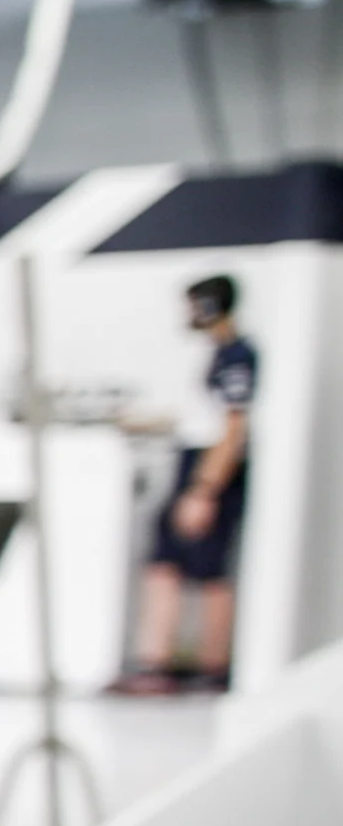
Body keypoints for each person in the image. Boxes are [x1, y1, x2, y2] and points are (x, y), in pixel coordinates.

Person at [117, 273, 255, 694]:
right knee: (167, 564)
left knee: (210, 571)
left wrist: (204, 490)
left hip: (209, 470)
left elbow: (234, 428)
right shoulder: (217, 354)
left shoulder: (237, 356)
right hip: (195, 462)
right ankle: (156, 663)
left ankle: (207, 669)